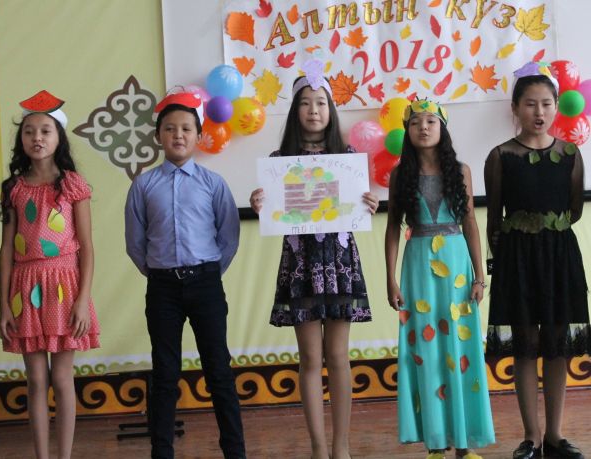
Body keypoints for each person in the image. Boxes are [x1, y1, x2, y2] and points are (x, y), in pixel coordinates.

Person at [249, 59, 379, 459]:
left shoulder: (347, 156)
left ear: (331, 110)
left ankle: (342, 446)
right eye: (305, 103)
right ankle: (318, 447)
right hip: (301, 264)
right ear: (295, 111)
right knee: (309, 357)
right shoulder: (279, 159)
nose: (313, 110)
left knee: (338, 355)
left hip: (339, 263)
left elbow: (355, 205)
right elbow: (276, 209)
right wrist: (261, 203)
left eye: (321, 103)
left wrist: (368, 202)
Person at [125, 90, 246, 459]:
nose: (178, 135)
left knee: (218, 371)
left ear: (198, 136)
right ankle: (161, 452)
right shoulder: (143, 185)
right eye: (170, 128)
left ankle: (235, 452)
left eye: (186, 129)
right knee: (165, 372)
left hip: (206, 283)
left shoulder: (213, 183)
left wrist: (206, 273)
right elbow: (135, 242)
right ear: (158, 135)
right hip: (162, 287)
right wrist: (160, 273)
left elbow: (228, 237)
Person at [485, 61, 589, 459]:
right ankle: (531, 436)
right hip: (517, 259)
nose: (539, 112)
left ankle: (556, 435)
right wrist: (505, 259)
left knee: (557, 345)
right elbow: (494, 219)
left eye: (546, 103)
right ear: (515, 108)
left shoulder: (570, 154)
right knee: (525, 345)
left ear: (557, 106)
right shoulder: (501, 156)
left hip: (560, 257)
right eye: (530, 104)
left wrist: (547, 234)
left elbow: (574, 210)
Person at [385, 98, 495, 459]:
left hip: (457, 266)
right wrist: (390, 278)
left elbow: (470, 222)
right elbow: (392, 227)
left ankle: (464, 445)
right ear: (407, 131)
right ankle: (435, 443)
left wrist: (479, 277)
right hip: (417, 266)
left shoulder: (461, 170)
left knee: (459, 347)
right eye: (416, 122)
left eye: (431, 121)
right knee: (425, 350)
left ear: (442, 128)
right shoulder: (400, 175)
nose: (424, 127)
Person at [0, 90, 100, 459]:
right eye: (29, 131)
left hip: (64, 287)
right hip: (25, 288)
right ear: (21, 140)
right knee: (36, 379)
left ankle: (64, 456)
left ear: (59, 138)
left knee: (61, 377)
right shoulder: (14, 188)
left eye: (45, 131)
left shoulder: (72, 185)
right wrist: (4, 307)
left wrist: (83, 301)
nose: (37, 138)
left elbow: (86, 247)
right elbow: (6, 250)